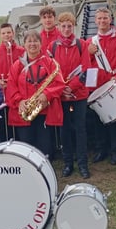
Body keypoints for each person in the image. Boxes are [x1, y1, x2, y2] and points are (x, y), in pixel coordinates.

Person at [7, 30, 65, 155]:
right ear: (24, 44)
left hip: (44, 111)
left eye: (35, 41)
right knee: (26, 145)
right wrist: (19, 101)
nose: (32, 44)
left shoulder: (49, 62)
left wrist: (46, 94)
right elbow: (11, 86)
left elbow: (59, 83)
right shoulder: (17, 65)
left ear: (41, 43)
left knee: (44, 145)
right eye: (29, 41)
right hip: (24, 110)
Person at [87, 7, 116, 164]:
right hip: (97, 85)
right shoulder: (90, 43)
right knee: (98, 120)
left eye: (105, 18)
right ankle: (101, 149)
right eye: (99, 18)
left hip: (114, 83)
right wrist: (88, 53)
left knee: (115, 121)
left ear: (110, 19)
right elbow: (86, 66)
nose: (102, 21)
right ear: (95, 21)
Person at [49, 12, 91, 178]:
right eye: (63, 26)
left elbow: (86, 69)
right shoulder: (52, 46)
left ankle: (82, 164)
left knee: (80, 129)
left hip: (79, 94)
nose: (66, 29)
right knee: (64, 130)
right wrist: (62, 88)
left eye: (69, 26)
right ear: (59, 27)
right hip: (61, 95)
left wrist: (71, 87)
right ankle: (67, 163)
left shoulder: (82, 45)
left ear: (73, 27)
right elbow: (50, 71)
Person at [0, 23, 24, 142]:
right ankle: (5, 143)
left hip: (18, 90)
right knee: (4, 120)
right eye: (3, 33)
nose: (7, 35)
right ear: (0, 35)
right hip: (2, 90)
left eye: (9, 32)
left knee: (19, 119)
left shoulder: (21, 51)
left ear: (13, 34)